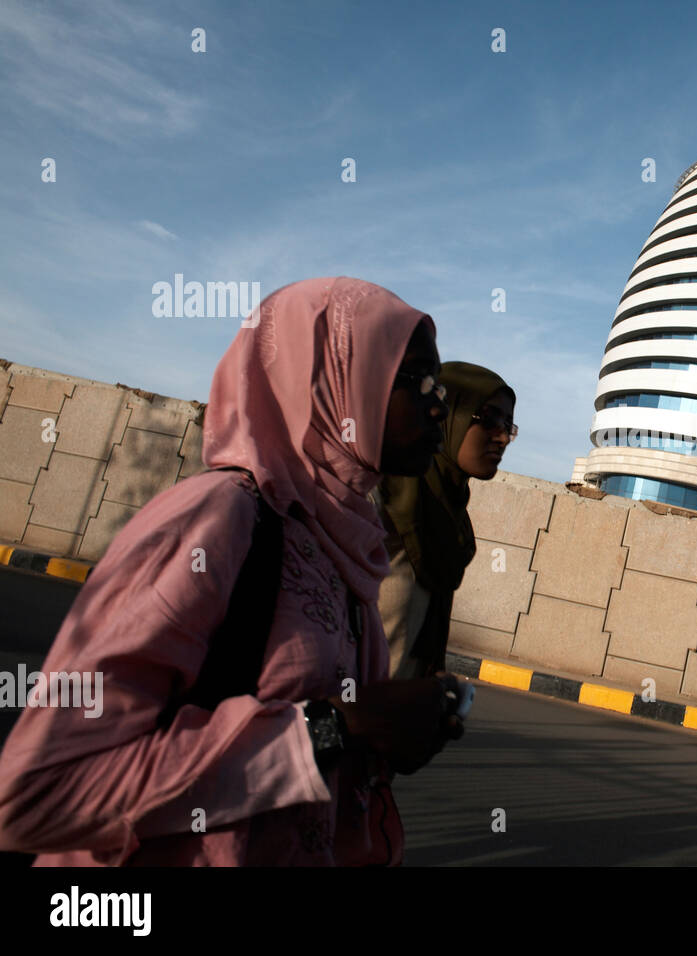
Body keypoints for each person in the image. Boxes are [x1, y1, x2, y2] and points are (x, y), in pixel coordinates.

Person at [0, 277, 465, 866]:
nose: (436, 404)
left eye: (441, 387)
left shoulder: (345, 546)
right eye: (414, 379)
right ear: (330, 382)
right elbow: (37, 791)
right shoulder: (218, 518)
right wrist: (330, 730)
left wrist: (383, 737)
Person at [373, 364, 516, 679]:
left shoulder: (451, 520)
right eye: (490, 419)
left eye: (509, 425)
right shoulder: (381, 499)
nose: (503, 437)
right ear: (448, 415)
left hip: (401, 717)